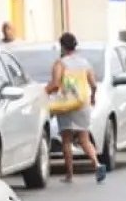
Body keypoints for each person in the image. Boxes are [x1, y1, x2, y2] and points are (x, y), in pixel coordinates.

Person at [45, 33, 105, 184]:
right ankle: (96, 164)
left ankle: (70, 174)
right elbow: (94, 85)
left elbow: (56, 84)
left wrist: (44, 93)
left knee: (66, 139)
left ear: (63, 46)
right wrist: (92, 97)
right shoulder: (85, 63)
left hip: (66, 104)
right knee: (84, 139)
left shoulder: (61, 63)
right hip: (82, 103)